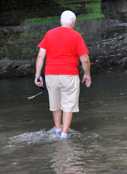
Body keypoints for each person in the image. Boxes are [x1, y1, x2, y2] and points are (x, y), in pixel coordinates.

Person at [35, 10, 91, 139]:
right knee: (68, 105)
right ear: (73, 23)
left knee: (55, 104)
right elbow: (84, 59)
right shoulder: (76, 36)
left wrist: (38, 75)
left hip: (51, 74)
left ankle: (57, 129)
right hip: (69, 75)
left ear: (60, 21)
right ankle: (64, 135)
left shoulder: (49, 34)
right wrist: (87, 74)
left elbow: (40, 56)